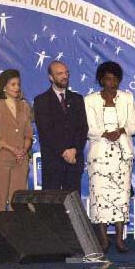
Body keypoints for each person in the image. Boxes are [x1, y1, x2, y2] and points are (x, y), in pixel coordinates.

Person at [85, 61, 135, 253]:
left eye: (116, 78)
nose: (113, 82)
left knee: (121, 197)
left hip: (121, 155)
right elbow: (87, 126)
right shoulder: (90, 100)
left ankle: (119, 240)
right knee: (99, 197)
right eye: (109, 78)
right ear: (101, 80)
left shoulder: (127, 98)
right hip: (100, 155)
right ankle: (103, 240)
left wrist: (122, 130)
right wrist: (103, 133)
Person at [33, 60, 88, 192]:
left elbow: (83, 128)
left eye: (66, 73)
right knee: (52, 206)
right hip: (53, 162)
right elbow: (45, 132)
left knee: (74, 205)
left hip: (74, 162)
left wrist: (74, 150)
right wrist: (64, 152)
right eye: (59, 73)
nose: (64, 76)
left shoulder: (77, 99)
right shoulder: (41, 101)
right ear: (51, 77)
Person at [0, 70, 33, 212]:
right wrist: (13, 149)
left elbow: (28, 133)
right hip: (2, 157)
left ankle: (17, 231)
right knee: (1, 200)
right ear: (4, 87)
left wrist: (24, 150)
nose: (17, 87)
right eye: (13, 84)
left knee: (18, 200)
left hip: (21, 159)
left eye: (18, 84)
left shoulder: (25, 106)